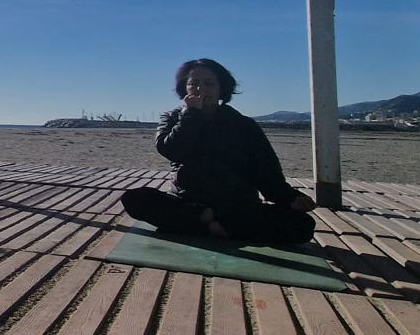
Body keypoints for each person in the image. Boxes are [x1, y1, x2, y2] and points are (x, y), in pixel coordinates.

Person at [122, 58, 318, 244]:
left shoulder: (244, 125)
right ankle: (213, 223)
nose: (201, 89)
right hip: (190, 203)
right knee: (135, 199)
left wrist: (289, 197)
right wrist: (191, 115)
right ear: (185, 88)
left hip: (237, 205)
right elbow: (172, 150)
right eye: (194, 83)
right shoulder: (172, 118)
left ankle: (207, 226)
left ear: (221, 89)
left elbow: (266, 171)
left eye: (209, 83)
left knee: (303, 225)